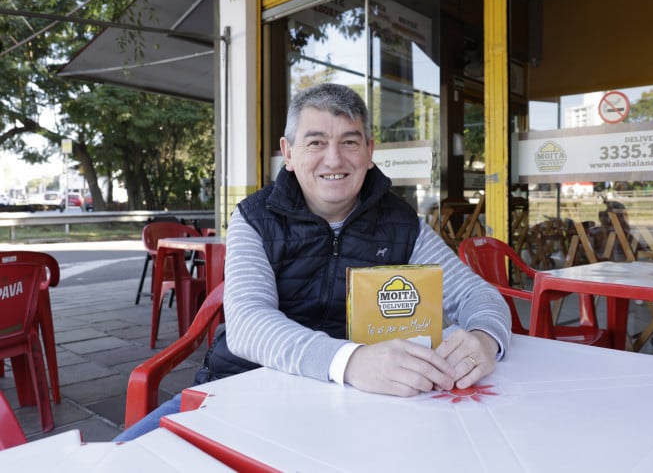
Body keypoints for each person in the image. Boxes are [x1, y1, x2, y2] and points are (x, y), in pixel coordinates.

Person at [115, 83, 511, 440]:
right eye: (316, 142)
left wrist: (484, 340)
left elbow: (477, 295)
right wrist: (350, 361)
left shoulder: (401, 224)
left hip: (361, 406)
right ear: (288, 153)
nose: (334, 159)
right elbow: (248, 324)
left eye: (350, 142)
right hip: (243, 391)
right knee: (118, 459)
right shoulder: (254, 218)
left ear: (369, 152)